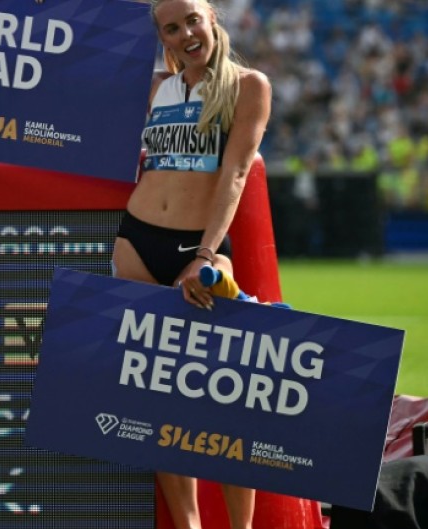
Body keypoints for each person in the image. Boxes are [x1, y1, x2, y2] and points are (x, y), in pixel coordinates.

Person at [111, 1, 272, 528]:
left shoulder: (249, 85)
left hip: (196, 251)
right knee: (159, 403)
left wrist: (205, 253)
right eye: (171, 28)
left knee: (222, 403)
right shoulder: (160, 87)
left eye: (192, 21)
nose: (185, 34)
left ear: (212, 18)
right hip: (136, 241)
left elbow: (236, 174)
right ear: (163, 37)